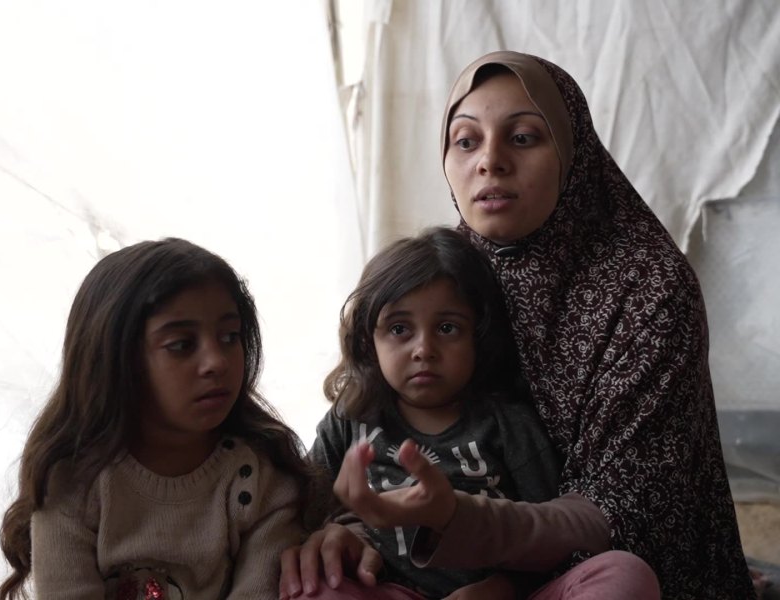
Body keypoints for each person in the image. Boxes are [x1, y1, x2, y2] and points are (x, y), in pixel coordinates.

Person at [282, 50, 756, 600]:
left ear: (572, 153)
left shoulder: (647, 285)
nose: (490, 161)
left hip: (596, 560)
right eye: (466, 140)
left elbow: (620, 512)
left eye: (524, 137)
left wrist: (496, 572)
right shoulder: (446, 273)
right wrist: (346, 532)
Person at [284, 227, 659, 600]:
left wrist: (504, 587)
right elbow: (299, 511)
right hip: (391, 590)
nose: (423, 349)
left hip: (504, 596)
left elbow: (554, 543)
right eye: (400, 329)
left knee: (625, 573)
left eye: (447, 328)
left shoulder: (506, 423)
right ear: (368, 341)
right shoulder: (351, 418)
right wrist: (337, 534)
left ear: (478, 337)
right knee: (315, 586)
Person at [0, 238, 325, 599]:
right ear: (114, 359)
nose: (217, 361)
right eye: (182, 344)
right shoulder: (72, 481)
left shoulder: (261, 482)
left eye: (230, 337)